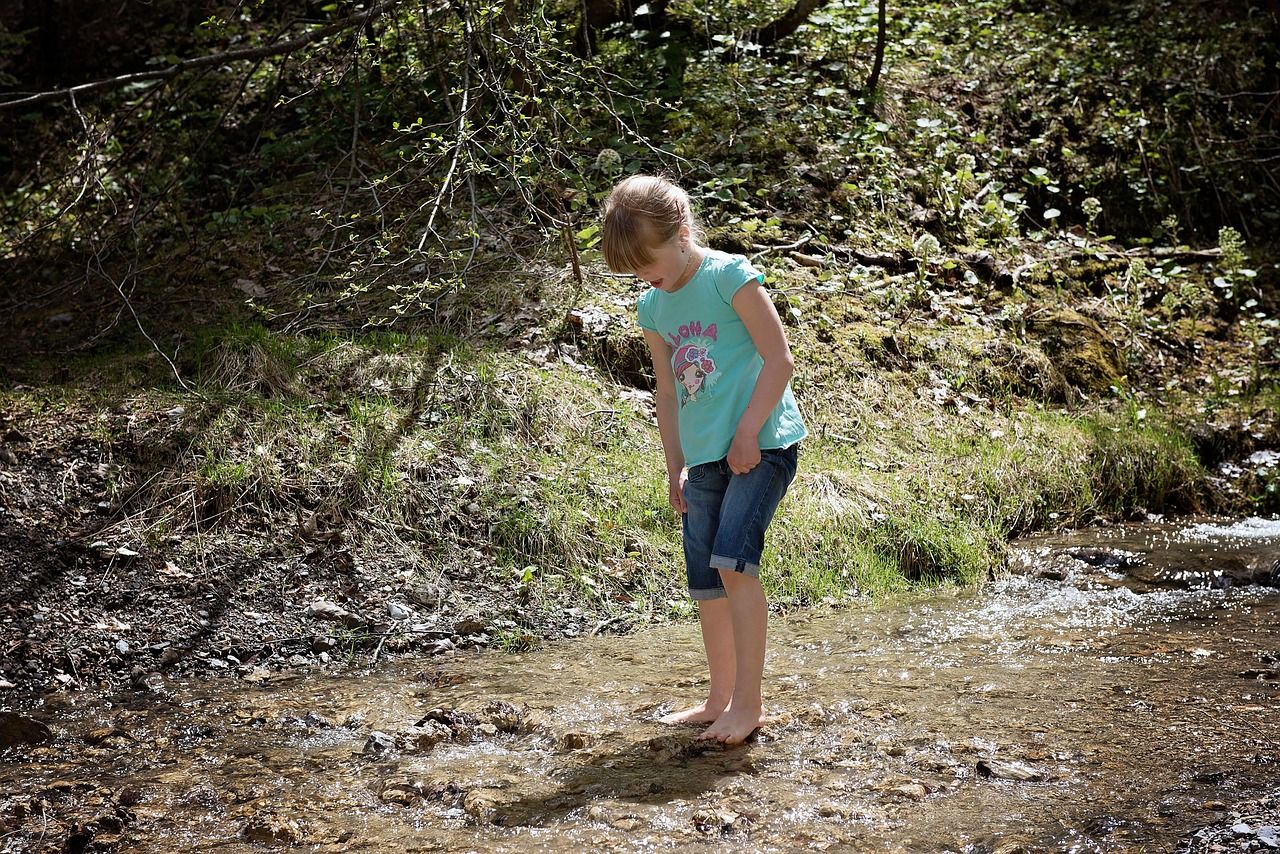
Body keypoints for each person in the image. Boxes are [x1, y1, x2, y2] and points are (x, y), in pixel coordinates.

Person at [600, 174, 807, 745]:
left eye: (650, 261)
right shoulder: (653, 306)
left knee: (735, 566)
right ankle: (718, 698)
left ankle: (749, 703)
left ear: (683, 232)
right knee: (708, 582)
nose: (646, 277)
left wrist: (746, 433)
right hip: (704, 458)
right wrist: (676, 468)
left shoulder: (729, 278)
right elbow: (667, 394)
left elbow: (779, 359)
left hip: (761, 444)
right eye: (634, 269)